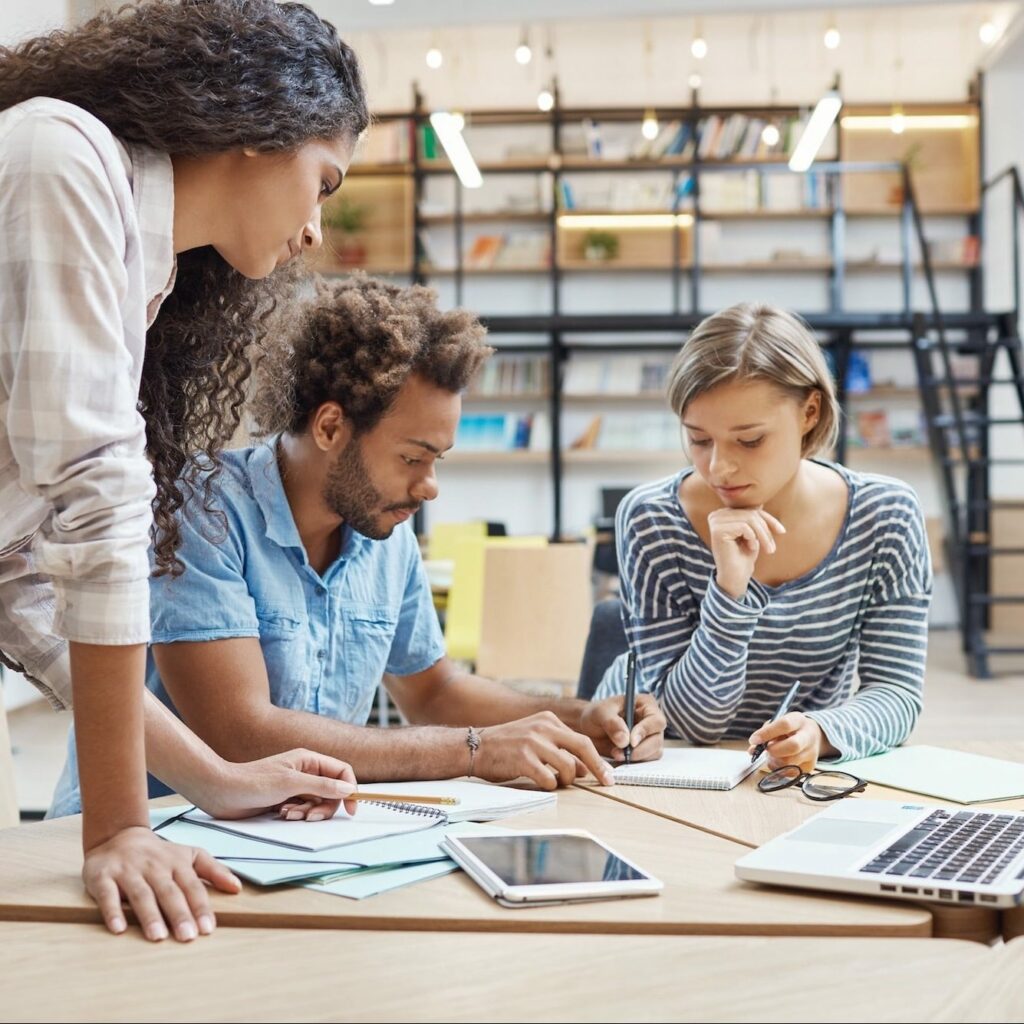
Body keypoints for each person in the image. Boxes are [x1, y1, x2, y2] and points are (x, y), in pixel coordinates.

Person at [0, 0, 371, 941]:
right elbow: (94, 491)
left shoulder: (147, 266)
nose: (316, 230)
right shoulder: (63, 154)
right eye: (323, 184)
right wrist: (121, 823)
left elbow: (19, 582)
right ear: (260, 126)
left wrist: (211, 777)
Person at [50, 274, 666, 816]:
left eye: (437, 460)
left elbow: (432, 691)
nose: (429, 488)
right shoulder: (205, 508)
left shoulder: (382, 527)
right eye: (412, 458)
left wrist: (575, 718)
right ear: (329, 426)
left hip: (291, 836)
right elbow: (239, 733)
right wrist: (475, 750)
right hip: (155, 831)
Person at [595, 303, 931, 772]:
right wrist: (730, 591)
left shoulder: (885, 515)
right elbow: (693, 723)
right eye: (699, 439)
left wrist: (824, 731)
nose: (719, 468)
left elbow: (895, 692)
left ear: (810, 411)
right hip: (664, 767)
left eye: (749, 440)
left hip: (791, 772)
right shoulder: (651, 519)